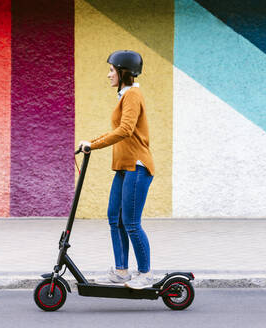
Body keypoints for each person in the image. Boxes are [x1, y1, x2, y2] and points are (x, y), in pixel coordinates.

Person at [79, 50, 155, 289]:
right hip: (123, 168)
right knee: (115, 218)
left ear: (123, 72)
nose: (108, 74)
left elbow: (125, 130)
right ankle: (121, 271)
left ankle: (145, 274)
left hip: (137, 167)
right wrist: (90, 142)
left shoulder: (132, 95)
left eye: (112, 70)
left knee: (131, 222)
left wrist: (96, 145)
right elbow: (117, 129)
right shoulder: (124, 95)